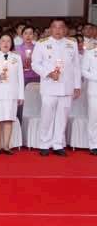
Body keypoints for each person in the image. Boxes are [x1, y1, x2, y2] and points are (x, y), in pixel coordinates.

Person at [32, 19, 82, 157]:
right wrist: (48, 73)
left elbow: (76, 66)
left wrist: (77, 86)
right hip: (49, 86)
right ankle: (44, 144)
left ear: (65, 29)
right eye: (55, 27)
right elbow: (35, 64)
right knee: (47, 115)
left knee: (62, 116)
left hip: (66, 86)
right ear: (50, 29)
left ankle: (58, 144)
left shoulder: (71, 43)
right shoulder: (42, 43)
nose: (58, 30)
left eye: (61, 27)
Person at [0, 34, 24, 155]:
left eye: (8, 41)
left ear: (11, 44)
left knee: (8, 119)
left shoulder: (16, 58)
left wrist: (21, 95)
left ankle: (6, 146)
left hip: (12, 93)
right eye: (3, 41)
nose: (5, 43)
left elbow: (20, 78)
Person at [82, 42, 97, 155]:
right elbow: (84, 71)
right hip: (94, 89)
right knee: (94, 118)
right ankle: (94, 144)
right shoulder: (90, 53)